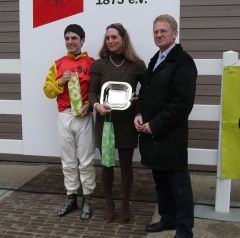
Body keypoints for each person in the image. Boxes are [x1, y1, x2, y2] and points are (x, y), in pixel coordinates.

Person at [134, 14, 197, 238]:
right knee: (160, 182)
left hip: (171, 136)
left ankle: (184, 229)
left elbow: (182, 103)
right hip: (153, 135)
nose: (159, 35)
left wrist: (156, 124)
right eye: (156, 32)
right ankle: (168, 218)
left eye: (164, 31)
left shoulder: (183, 62)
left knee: (179, 186)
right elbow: (145, 93)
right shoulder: (156, 59)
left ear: (175, 33)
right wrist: (139, 114)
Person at [88, 23, 146, 224]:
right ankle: (108, 202)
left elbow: (146, 93)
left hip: (127, 123)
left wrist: (137, 100)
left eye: (114, 37)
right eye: (107, 38)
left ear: (123, 39)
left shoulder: (137, 65)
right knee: (107, 164)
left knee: (127, 165)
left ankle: (125, 203)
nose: (110, 41)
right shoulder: (99, 65)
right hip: (106, 122)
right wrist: (97, 106)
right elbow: (92, 92)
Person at [43, 24, 96, 220]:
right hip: (64, 115)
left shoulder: (91, 63)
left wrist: (89, 104)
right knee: (68, 160)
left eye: (74, 38)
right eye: (67, 38)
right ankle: (71, 197)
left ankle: (88, 199)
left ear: (82, 40)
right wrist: (60, 82)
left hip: (83, 116)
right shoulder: (57, 64)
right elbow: (47, 91)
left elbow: (96, 90)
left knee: (86, 160)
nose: (70, 42)